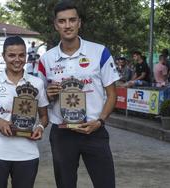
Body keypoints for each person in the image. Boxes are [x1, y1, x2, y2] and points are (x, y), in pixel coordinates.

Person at [38, 1, 120, 188]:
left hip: (94, 129)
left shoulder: (100, 52)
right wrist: (48, 94)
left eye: (72, 20)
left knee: (106, 184)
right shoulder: (46, 59)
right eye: (62, 21)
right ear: (55, 25)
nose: (67, 25)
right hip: (62, 133)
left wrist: (100, 121)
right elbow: (40, 99)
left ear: (79, 22)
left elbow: (112, 94)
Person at [0, 36, 49, 188]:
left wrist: (40, 128)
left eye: (21, 55)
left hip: (27, 154)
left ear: (26, 56)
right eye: (12, 55)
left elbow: (44, 116)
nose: (17, 59)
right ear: (4, 56)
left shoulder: (37, 83)